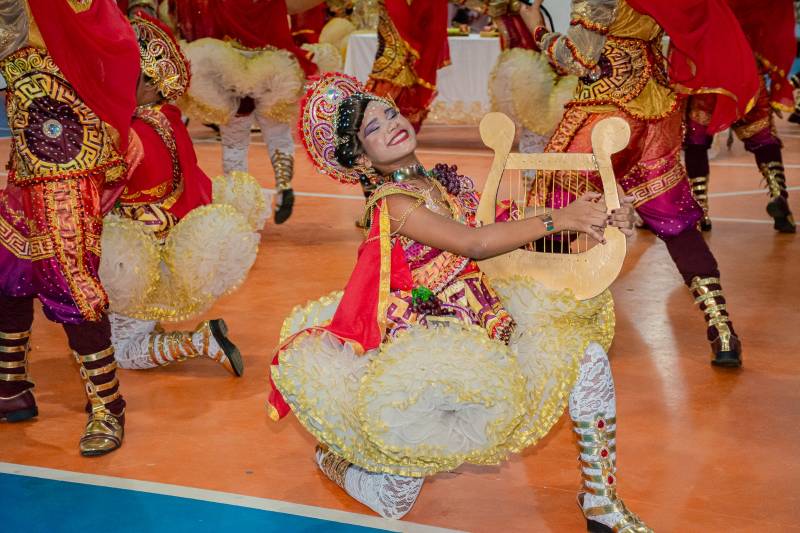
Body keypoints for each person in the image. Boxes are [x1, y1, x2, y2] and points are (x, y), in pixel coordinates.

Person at [268, 73, 651, 532]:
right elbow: (475, 243)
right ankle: (336, 461)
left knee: (586, 358)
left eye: (389, 112)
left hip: (489, 320)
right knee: (394, 500)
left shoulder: (439, 182)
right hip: (432, 349)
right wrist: (560, 217)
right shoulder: (392, 202)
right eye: (372, 129)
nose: (391, 124)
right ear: (362, 159)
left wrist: (596, 217)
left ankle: (600, 501)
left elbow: (505, 232)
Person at [518, 0, 761, 368]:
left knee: (556, 207)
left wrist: (537, 29)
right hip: (656, 114)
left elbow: (579, 60)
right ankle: (722, 330)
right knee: (677, 225)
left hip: (607, 113)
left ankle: (534, 327)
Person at [0, 0, 140, 456]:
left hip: (67, 163)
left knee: (70, 282)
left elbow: (114, 45)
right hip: (27, 158)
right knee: (9, 271)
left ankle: (107, 405)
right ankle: (10, 388)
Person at [98, 14, 263, 374]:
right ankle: (149, 326)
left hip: (143, 261)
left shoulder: (134, 133)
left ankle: (200, 340)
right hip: (169, 247)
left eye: (128, 75)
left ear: (151, 86)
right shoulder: (166, 117)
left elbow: (102, 193)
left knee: (120, 353)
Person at [683, 0, 796, 233]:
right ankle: (779, 196)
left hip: (708, 72)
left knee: (696, 140)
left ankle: (700, 210)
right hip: (746, 70)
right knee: (763, 136)